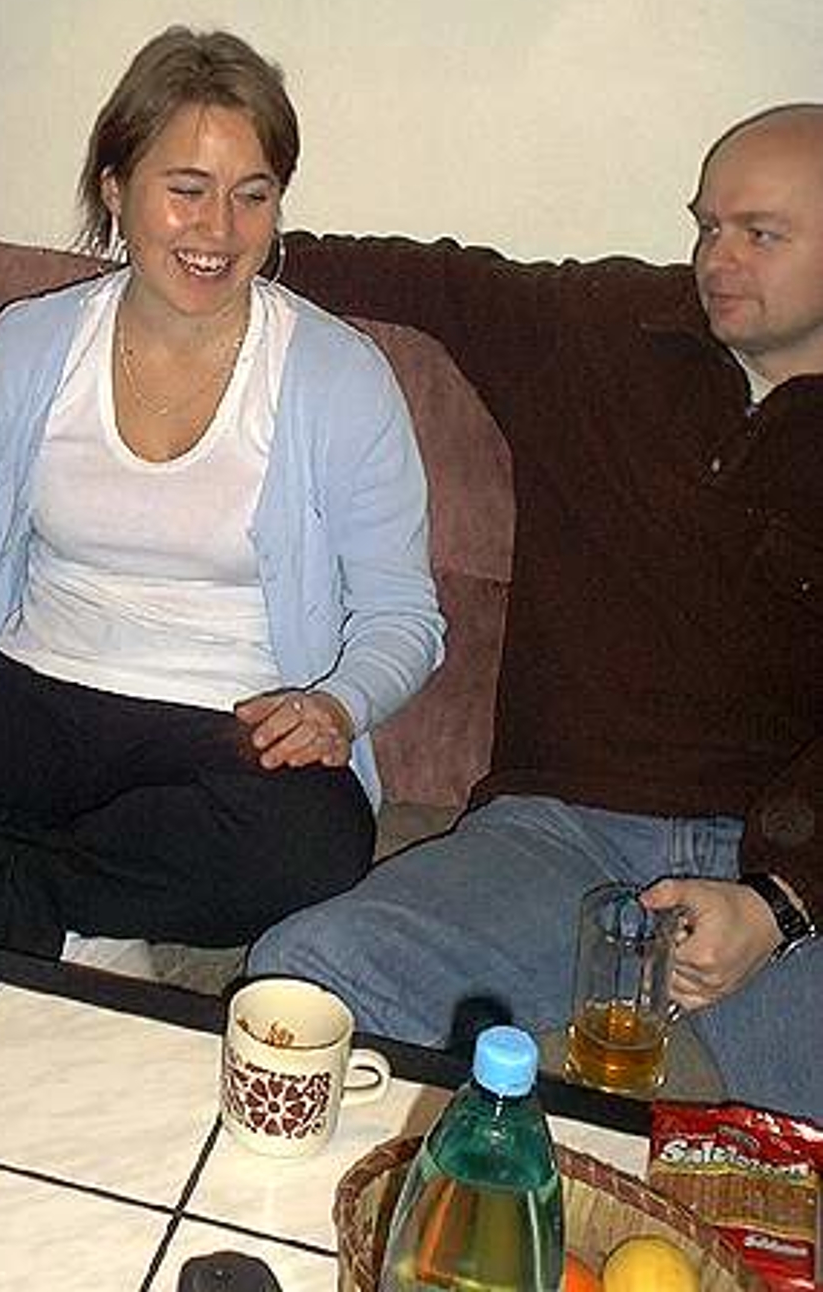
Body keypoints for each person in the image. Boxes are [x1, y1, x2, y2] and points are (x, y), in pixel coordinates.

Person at [0, 27, 445, 964]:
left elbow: (403, 615)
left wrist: (337, 706)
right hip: (30, 701)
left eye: (252, 195)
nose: (219, 230)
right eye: (186, 190)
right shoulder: (28, 344)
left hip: (228, 733)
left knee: (315, 842)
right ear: (116, 190)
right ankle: (63, 916)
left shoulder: (338, 377)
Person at [250, 103, 823, 1122]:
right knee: (303, 979)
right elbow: (436, 282)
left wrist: (782, 905)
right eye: (707, 224)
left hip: (774, 856)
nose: (716, 259)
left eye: (760, 234)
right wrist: (233, 247)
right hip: (560, 833)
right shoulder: (610, 333)